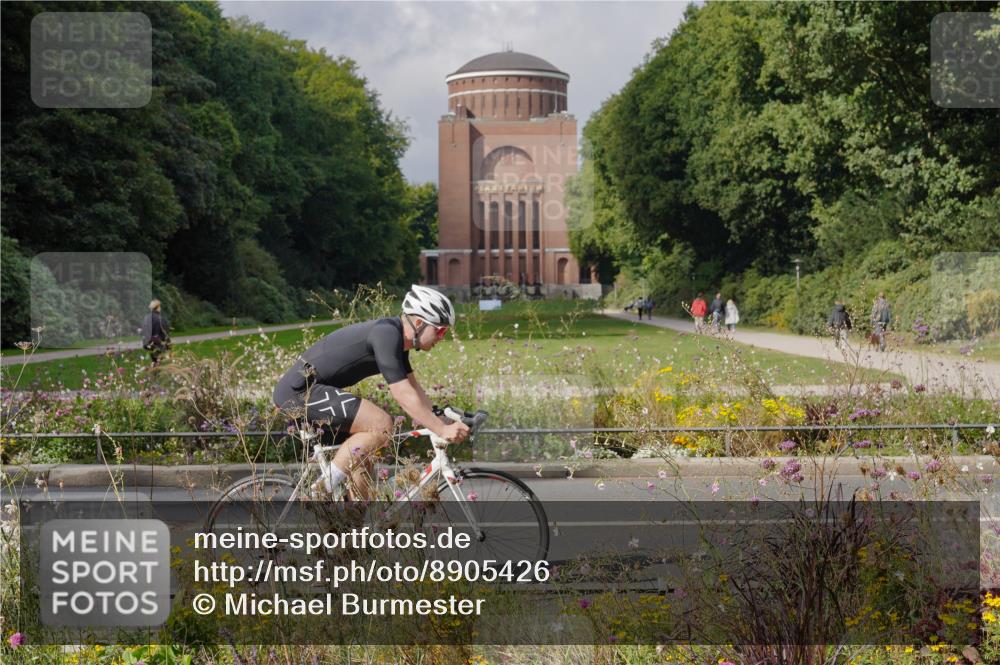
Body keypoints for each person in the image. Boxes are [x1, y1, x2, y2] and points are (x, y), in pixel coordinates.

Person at [273, 285, 470, 500]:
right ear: (420, 323)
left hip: (312, 390)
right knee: (382, 424)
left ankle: (354, 528)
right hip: (299, 392)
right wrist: (441, 429)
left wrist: (437, 415)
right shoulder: (386, 334)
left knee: (363, 469)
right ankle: (322, 490)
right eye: (440, 330)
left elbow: (414, 390)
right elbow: (402, 394)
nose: (442, 337)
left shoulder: (396, 341)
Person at [141, 300, 171, 365]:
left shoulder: (146, 317)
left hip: (148, 344)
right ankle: (157, 374)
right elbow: (165, 333)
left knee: (154, 362)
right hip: (159, 344)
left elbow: (144, 331)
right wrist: (168, 345)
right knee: (160, 363)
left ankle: (154, 373)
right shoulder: (160, 318)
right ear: (158, 307)